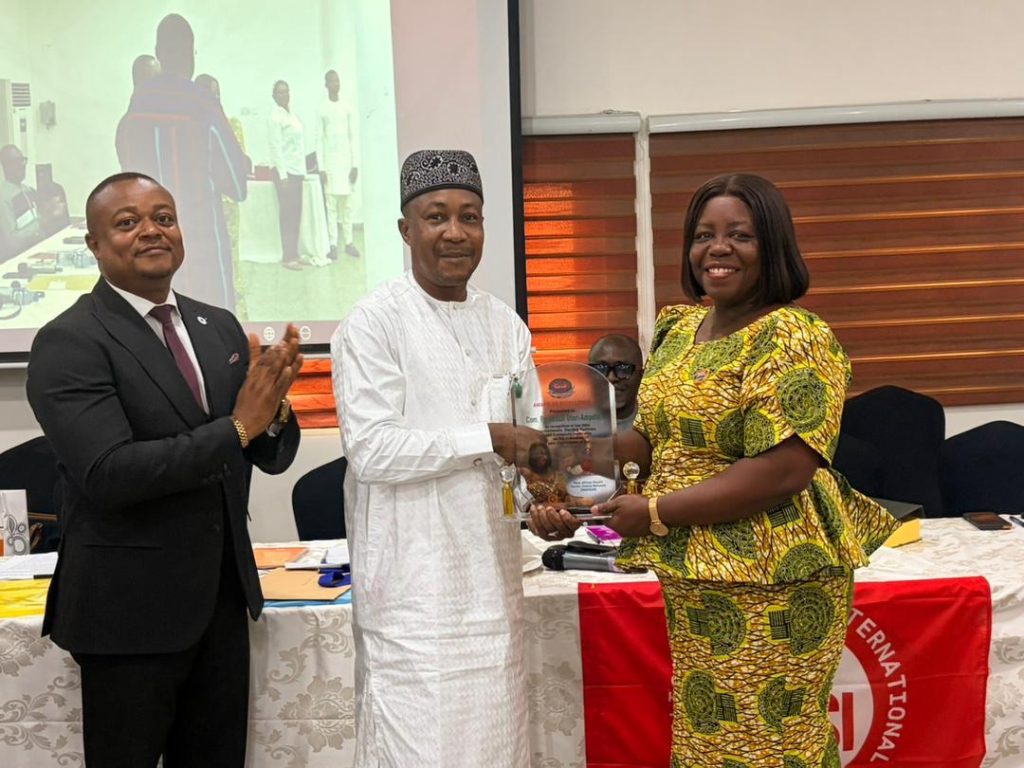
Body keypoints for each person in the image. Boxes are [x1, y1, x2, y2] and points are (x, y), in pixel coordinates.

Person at [530, 173, 898, 765]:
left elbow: (783, 470)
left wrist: (654, 513)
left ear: (772, 245)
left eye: (739, 235)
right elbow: (652, 441)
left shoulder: (794, 336)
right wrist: (562, 467)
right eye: (704, 235)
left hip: (774, 577)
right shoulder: (680, 330)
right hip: (695, 570)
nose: (717, 248)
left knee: (770, 744)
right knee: (706, 735)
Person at [26, 172, 302, 767]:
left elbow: (267, 454)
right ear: (94, 244)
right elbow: (110, 474)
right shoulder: (68, 340)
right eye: (127, 223)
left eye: (164, 217)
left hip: (221, 603)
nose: (151, 230)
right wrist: (239, 426)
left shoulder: (217, 326)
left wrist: (274, 408)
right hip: (128, 615)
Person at [331, 149, 538, 766]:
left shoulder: (506, 325)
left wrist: (541, 499)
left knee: (500, 750)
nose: (455, 232)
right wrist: (487, 438)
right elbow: (372, 450)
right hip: (412, 599)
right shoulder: (373, 323)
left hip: (494, 589)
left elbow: (526, 442)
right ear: (405, 230)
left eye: (469, 217)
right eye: (436, 217)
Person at [116, 14, 250, 308]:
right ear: (191, 53)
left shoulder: (135, 109)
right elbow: (236, 185)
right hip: (200, 250)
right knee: (210, 330)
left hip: (147, 251)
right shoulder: (202, 104)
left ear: (158, 53)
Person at [316, 69, 360, 259]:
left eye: (337, 81)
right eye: (331, 81)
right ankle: (333, 244)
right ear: (326, 85)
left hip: (346, 164)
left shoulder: (347, 107)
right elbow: (319, 139)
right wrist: (321, 168)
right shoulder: (321, 109)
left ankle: (349, 243)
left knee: (347, 206)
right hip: (330, 165)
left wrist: (355, 165)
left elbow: (353, 137)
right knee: (331, 206)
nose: (335, 84)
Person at [268, 80, 308, 270]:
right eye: (280, 92)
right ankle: (288, 257)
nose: (285, 95)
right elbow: (275, 147)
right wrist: (283, 175)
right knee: (287, 216)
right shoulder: (275, 117)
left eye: (287, 91)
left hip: (296, 171)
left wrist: (302, 170)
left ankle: (295, 253)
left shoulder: (292, 115)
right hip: (284, 174)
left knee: (296, 214)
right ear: (274, 96)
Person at [588, 333, 643, 432]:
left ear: (641, 375)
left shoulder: (654, 427)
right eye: (601, 368)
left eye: (623, 368)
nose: (611, 378)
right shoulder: (570, 427)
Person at [0, 144, 42, 262]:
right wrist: (40, 223)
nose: (23, 165)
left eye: (23, 160)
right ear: (6, 165)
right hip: (17, 259)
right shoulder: (3, 196)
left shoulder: (29, 190)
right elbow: (12, 241)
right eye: (17, 161)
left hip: (38, 251)